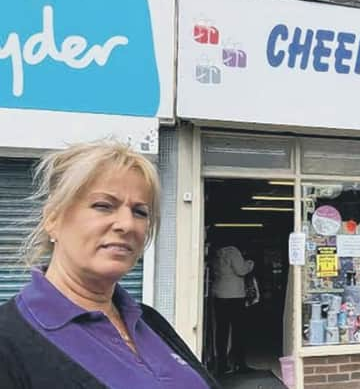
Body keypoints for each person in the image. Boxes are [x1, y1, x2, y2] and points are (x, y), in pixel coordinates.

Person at [0, 140, 221, 389]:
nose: (127, 225)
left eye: (140, 212)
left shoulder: (149, 320)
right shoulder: (9, 337)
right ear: (53, 219)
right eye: (103, 206)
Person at [212, 244, 254, 376]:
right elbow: (241, 270)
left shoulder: (216, 252)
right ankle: (239, 363)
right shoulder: (233, 250)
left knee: (221, 331)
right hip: (235, 295)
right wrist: (250, 263)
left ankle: (222, 364)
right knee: (239, 330)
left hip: (219, 294)